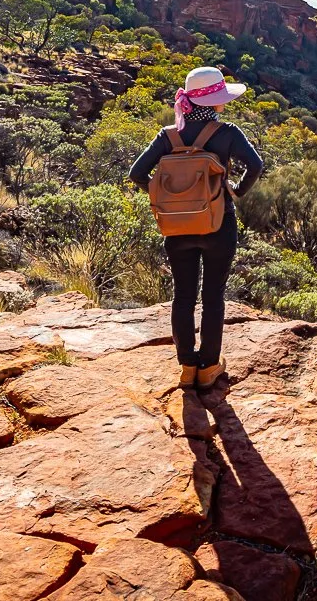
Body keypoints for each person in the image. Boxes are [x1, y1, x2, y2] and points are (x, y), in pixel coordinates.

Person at [129, 66, 263, 391]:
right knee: (213, 296)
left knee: (183, 296)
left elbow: (137, 173)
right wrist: (236, 190)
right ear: (215, 101)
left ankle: (187, 367)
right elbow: (256, 165)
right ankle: (209, 367)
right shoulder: (227, 132)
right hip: (218, 223)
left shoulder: (168, 135)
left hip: (177, 228)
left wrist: (165, 197)